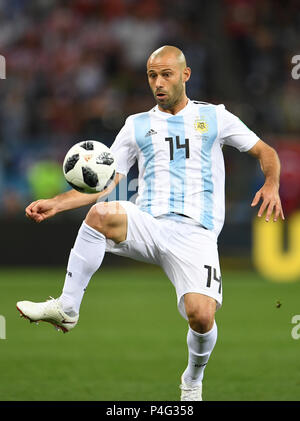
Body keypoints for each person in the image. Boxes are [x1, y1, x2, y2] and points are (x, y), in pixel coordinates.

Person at [17, 45, 284, 401]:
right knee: (99, 215)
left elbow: (266, 152)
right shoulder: (136, 125)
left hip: (196, 234)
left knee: (201, 317)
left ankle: (192, 378)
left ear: (185, 75)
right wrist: (57, 203)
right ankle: (67, 308)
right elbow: (106, 182)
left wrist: (271, 183)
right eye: (152, 75)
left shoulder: (215, 117)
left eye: (166, 74)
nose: (158, 82)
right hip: (148, 223)